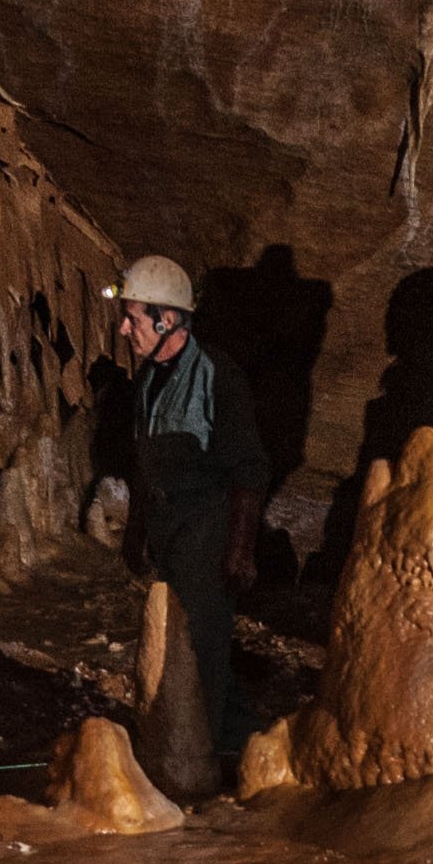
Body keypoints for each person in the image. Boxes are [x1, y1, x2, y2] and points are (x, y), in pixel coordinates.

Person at [113, 253, 271, 762]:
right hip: (166, 529)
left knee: (203, 647)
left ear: (168, 320)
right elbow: (142, 463)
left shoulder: (218, 378)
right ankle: (234, 743)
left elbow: (250, 472)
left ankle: (215, 760)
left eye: (133, 317)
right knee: (182, 648)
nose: (123, 329)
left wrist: (240, 552)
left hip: (207, 529)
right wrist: (135, 532)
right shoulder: (147, 383)